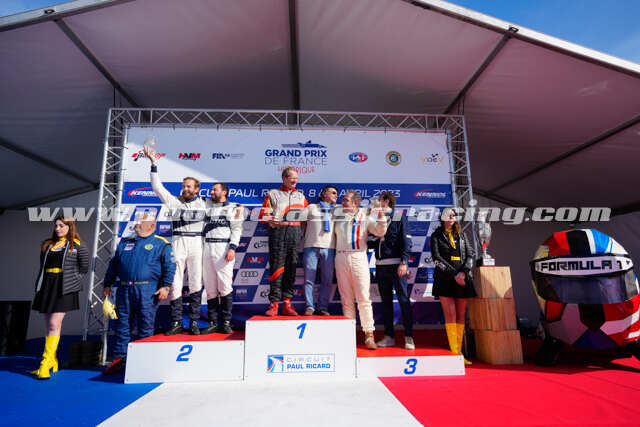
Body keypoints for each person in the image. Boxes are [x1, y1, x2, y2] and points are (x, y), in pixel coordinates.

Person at [144, 145, 206, 335]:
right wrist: (154, 165)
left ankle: (194, 322)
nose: (185, 188)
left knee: (196, 283)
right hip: (178, 243)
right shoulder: (174, 202)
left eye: (189, 186)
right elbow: (157, 188)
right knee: (175, 284)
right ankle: (177, 322)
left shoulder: (205, 203)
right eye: (184, 186)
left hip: (197, 244)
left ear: (196, 189)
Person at [102, 213, 176, 374]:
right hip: (124, 289)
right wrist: (108, 283)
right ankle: (120, 359)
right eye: (136, 220)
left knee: (145, 326)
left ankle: (144, 361)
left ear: (152, 226)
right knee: (122, 325)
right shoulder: (125, 242)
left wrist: (166, 286)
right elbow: (114, 265)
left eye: (141, 221)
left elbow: (170, 267)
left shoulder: (161, 243)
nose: (136, 223)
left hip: (147, 290)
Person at [31, 216, 89, 379]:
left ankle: (44, 364)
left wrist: (72, 280)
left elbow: (84, 268)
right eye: (56, 225)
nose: (57, 229)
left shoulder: (78, 245)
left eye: (61, 225)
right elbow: (43, 266)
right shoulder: (48, 244)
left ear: (70, 227)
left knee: (54, 324)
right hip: (47, 286)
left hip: (64, 288)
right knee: (49, 326)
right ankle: (53, 360)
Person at [333, 191, 387, 350]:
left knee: (363, 298)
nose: (342, 202)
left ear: (355, 203)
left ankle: (369, 334)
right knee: (346, 299)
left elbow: (380, 232)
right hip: (340, 257)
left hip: (358, 257)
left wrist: (381, 217)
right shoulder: (338, 216)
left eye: (346, 200)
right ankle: (348, 335)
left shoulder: (365, 217)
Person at [259, 167, 308, 316]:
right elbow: (263, 216)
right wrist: (271, 219)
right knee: (277, 268)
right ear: (284, 178)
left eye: (296, 178)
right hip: (278, 232)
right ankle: (274, 304)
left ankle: (287, 303)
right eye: (292, 178)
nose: (295, 181)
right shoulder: (273, 194)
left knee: (291, 268)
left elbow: (307, 216)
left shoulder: (301, 196)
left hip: (295, 232)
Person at [430, 207, 476, 365]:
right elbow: (436, 258)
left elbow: (470, 255)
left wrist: (463, 272)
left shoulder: (462, 234)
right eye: (448, 215)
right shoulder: (436, 235)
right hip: (444, 278)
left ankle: (460, 352)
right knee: (450, 314)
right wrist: (454, 274)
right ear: (442, 218)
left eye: (453, 215)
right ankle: (454, 352)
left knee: (461, 315)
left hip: (462, 278)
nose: (451, 218)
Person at [369, 192, 414, 350]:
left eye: (379, 200)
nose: (376, 202)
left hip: (397, 266)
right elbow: (372, 242)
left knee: (403, 300)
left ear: (386, 201)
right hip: (380, 266)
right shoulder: (375, 219)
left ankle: (409, 336)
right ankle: (389, 336)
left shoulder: (399, 217)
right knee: (386, 302)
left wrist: (404, 262)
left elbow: (406, 241)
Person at [201, 182, 244, 334]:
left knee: (225, 287)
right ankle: (212, 322)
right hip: (207, 248)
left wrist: (233, 248)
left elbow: (237, 229)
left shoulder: (234, 208)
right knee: (210, 288)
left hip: (223, 248)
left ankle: (226, 322)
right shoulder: (206, 205)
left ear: (224, 192)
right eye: (212, 190)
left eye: (215, 189)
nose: (212, 192)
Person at [302, 185, 338, 316]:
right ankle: (310, 307)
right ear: (324, 194)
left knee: (327, 280)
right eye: (333, 193)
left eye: (336, 193)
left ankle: (322, 307)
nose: (336, 195)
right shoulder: (312, 207)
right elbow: (298, 220)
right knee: (308, 279)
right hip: (311, 246)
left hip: (330, 248)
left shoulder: (338, 210)